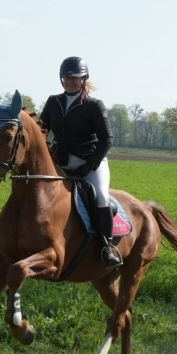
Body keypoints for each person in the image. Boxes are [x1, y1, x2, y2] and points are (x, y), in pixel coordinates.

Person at [39, 56, 122, 269]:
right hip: (62, 164)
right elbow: (42, 130)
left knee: (102, 197)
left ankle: (107, 247)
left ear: (84, 79)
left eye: (75, 78)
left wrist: (91, 164)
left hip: (91, 162)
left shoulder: (94, 105)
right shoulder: (53, 102)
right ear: (61, 79)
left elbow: (107, 139)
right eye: (67, 78)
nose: (71, 82)